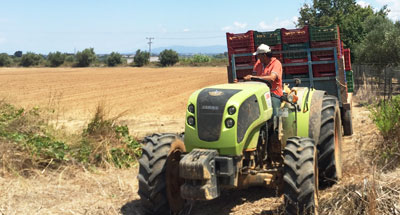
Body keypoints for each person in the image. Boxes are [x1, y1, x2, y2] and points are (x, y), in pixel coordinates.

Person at [244, 44, 283, 116]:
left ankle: (277, 123)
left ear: (264, 55)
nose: (257, 58)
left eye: (258, 55)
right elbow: (253, 78)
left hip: (273, 93)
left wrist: (253, 77)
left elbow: (272, 78)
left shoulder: (276, 63)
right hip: (260, 93)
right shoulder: (258, 64)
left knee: (275, 114)